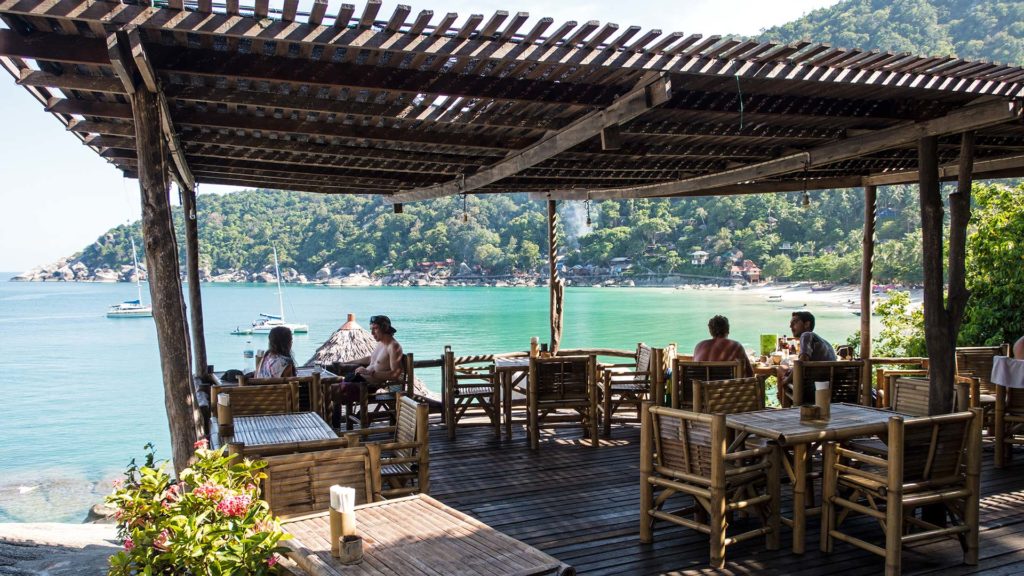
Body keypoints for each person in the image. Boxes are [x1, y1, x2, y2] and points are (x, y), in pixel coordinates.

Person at [332, 315, 405, 428]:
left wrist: (369, 373)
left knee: (332, 390)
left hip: (367, 387)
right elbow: (370, 359)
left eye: (375, 329)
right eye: (371, 329)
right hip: (358, 380)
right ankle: (335, 425)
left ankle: (334, 427)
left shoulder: (394, 347)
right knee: (329, 387)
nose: (372, 333)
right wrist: (347, 363)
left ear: (385, 328)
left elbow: (395, 374)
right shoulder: (381, 344)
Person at [777, 310, 836, 389]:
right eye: (791, 323)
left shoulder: (806, 335)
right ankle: (785, 399)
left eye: (794, 322)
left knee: (781, 369)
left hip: (811, 389)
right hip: (827, 389)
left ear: (807, 324)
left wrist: (787, 380)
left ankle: (784, 400)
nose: (791, 326)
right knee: (788, 372)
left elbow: (802, 361)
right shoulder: (826, 343)